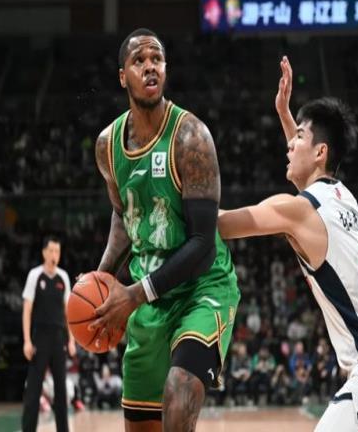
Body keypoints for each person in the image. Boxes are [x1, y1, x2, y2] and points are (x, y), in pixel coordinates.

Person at [218, 56, 358, 431]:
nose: (289, 146)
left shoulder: (300, 211)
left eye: (298, 138)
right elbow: (310, 174)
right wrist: (285, 115)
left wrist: (167, 205)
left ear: (320, 151)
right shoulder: (344, 197)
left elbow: (222, 224)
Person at [88, 28, 240, 432]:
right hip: (149, 301)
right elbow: (123, 217)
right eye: (139, 61)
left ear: (166, 69)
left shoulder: (191, 137)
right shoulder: (107, 146)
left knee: (179, 390)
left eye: (157, 59)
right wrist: (102, 283)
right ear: (123, 76)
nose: (150, 67)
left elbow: (203, 245)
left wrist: (132, 294)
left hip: (202, 289)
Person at [21, 235, 76, 432]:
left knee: (61, 391)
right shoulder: (35, 275)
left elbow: (68, 312)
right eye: (51, 251)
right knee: (33, 390)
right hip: (40, 337)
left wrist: (71, 340)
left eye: (57, 251)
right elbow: (27, 309)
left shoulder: (63, 277)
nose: (54, 255)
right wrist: (27, 341)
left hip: (59, 338)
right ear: (44, 252)